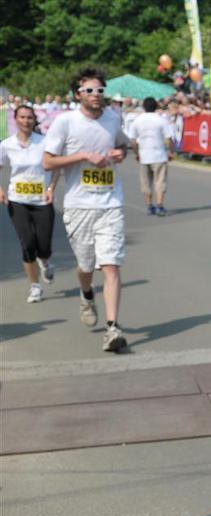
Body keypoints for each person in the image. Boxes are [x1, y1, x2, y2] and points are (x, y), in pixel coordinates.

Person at [43, 67, 130, 352]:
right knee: (86, 266)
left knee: (111, 265)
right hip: (79, 205)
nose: (96, 95)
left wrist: (120, 153)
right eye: (89, 90)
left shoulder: (112, 118)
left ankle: (112, 328)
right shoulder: (65, 122)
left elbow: (123, 144)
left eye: (100, 90)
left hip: (110, 202)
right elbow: (48, 162)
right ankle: (86, 292)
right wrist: (82, 156)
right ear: (78, 94)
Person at [1, 105, 58, 303]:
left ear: (35, 120)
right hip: (18, 201)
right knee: (27, 244)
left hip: (42, 201)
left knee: (44, 246)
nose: (26, 121)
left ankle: (46, 262)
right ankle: (35, 286)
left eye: (29, 118)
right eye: (22, 117)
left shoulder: (45, 142)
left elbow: (56, 167)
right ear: (15, 119)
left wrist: (51, 188)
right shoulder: (6, 144)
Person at [127, 97, 174, 216]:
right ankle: (160, 205)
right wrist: (171, 152)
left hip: (144, 154)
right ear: (156, 106)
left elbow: (132, 140)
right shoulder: (161, 120)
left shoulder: (138, 120)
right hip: (159, 154)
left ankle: (149, 206)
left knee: (146, 183)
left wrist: (136, 153)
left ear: (143, 107)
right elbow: (169, 138)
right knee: (160, 181)